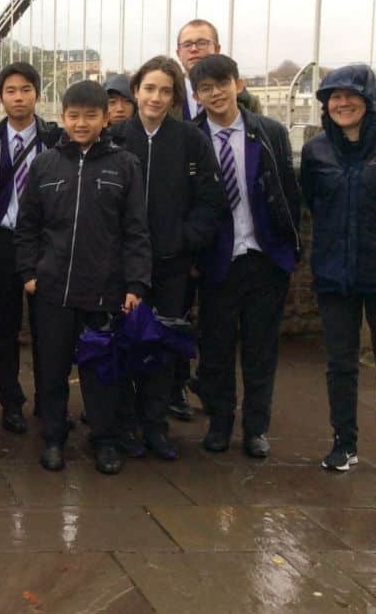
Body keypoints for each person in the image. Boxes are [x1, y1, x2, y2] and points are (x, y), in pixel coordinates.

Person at [14, 80, 151, 475]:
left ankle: (104, 440)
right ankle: (53, 437)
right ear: (62, 117)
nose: (81, 123)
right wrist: (29, 272)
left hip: (103, 291)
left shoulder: (124, 166)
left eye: (91, 116)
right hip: (52, 288)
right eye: (73, 116)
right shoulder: (44, 165)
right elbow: (28, 226)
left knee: (101, 372)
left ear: (106, 119)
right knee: (51, 370)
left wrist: (135, 283)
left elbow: (136, 230)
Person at [107, 56, 227, 460]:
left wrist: (183, 241)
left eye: (165, 90)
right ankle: (123, 424)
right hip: (122, 267)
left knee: (161, 348)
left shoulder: (190, 140)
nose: (155, 97)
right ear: (135, 91)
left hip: (172, 265)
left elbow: (211, 202)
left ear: (175, 96)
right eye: (149, 88)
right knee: (121, 344)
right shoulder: (116, 138)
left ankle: (156, 427)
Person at [189, 54, 300, 458]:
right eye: (205, 88)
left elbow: (289, 192)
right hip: (216, 260)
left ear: (238, 84)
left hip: (264, 257)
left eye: (222, 83)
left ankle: (256, 428)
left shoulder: (269, 132)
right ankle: (219, 425)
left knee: (261, 349)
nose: (215, 93)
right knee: (215, 351)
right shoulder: (190, 138)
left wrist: (288, 250)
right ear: (197, 96)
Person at [301, 64, 376, 477]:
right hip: (334, 272)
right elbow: (311, 199)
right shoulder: (317, 149)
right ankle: (344, 443)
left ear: (369, 98)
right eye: (332, 97)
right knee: (340, 363)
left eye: (350, 95)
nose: (341, 103)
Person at [0, 62, 62, 436]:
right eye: (11, 90)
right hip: (2, 242)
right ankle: (10, 401)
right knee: (4, 327)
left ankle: (48, 401)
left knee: (47, 328)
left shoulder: (56, 139)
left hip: (46, 244)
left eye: (26, 89)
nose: (19, 97)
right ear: (1, 96)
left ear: (37, 93)